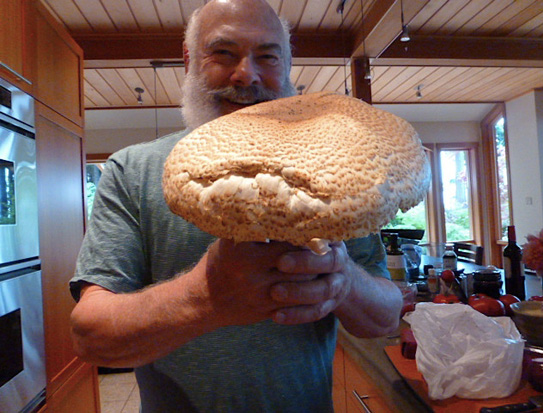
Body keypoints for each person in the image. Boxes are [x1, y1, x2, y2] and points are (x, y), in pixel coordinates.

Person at [69, 0, 403, 412]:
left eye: (267, 56)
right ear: (190, 62)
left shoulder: (340, 174)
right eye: (223, 53)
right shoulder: (132, 170)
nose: (246, 74)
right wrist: (203, 299)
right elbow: (91, 336)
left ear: (287, 68)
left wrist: (343, 280)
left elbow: (386, 319)